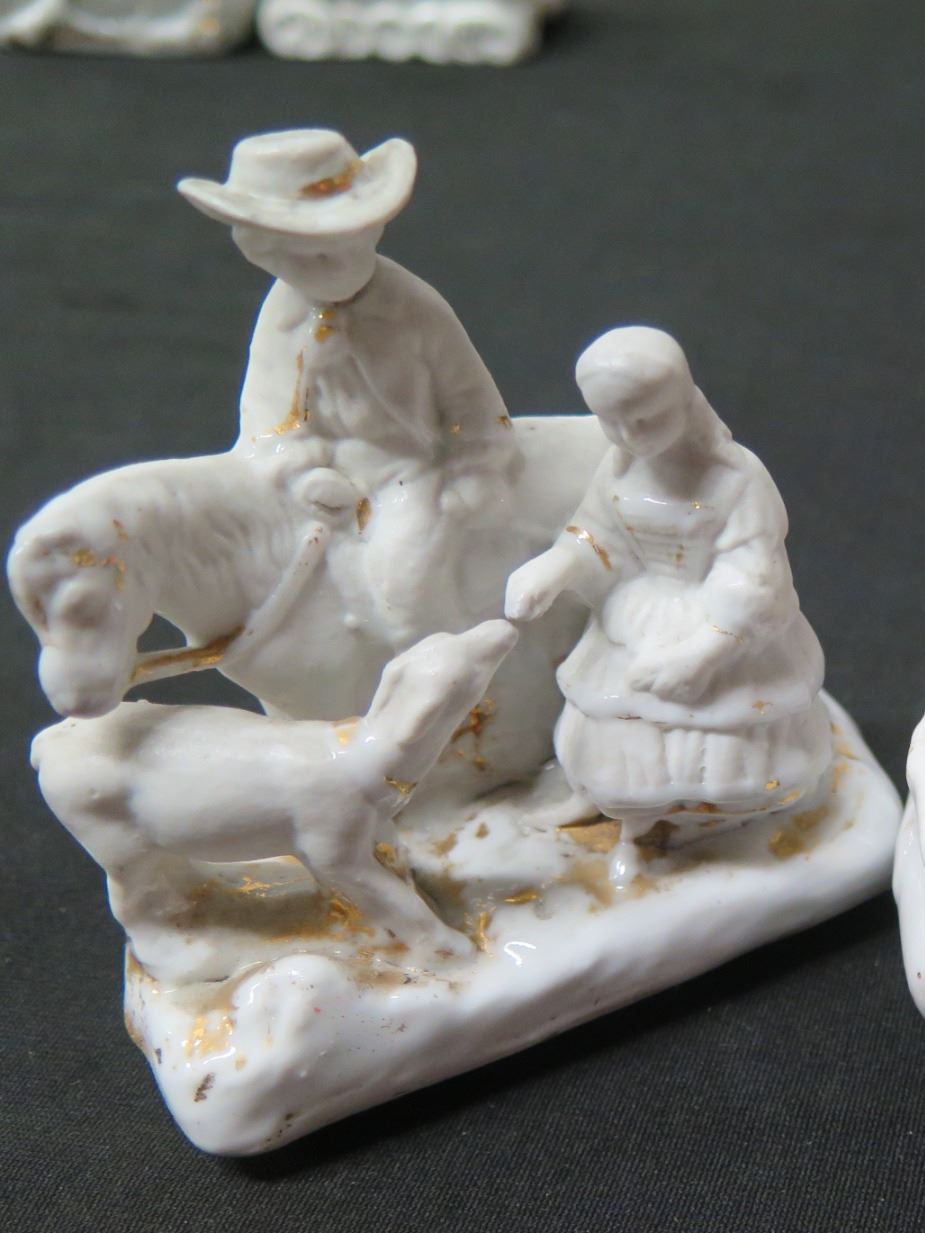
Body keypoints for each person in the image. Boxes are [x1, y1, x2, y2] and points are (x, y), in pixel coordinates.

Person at [506, 327, 831, 879]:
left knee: (710, 738)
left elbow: (756, 576)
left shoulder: (736, 479)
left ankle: (692, 829)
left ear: (683, 400)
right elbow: (596, 535)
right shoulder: (617, 467)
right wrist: (555, 567)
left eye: (645, 419)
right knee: (613, 719)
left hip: (716, 625)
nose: (629, 436)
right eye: (612, 421)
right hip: (638, 613)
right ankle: (614, 811)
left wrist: (704, 653)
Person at [179, 128, 519, 646]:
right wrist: (299, 472)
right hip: (321, 478)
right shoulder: (283, 314)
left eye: (333, 247)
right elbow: (266, 413)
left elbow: (472, 401)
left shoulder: (412, 309)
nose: (320, 267)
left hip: (407, 470)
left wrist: (476, 467)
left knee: (405, 588)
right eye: (297, 255)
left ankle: (453, 670)